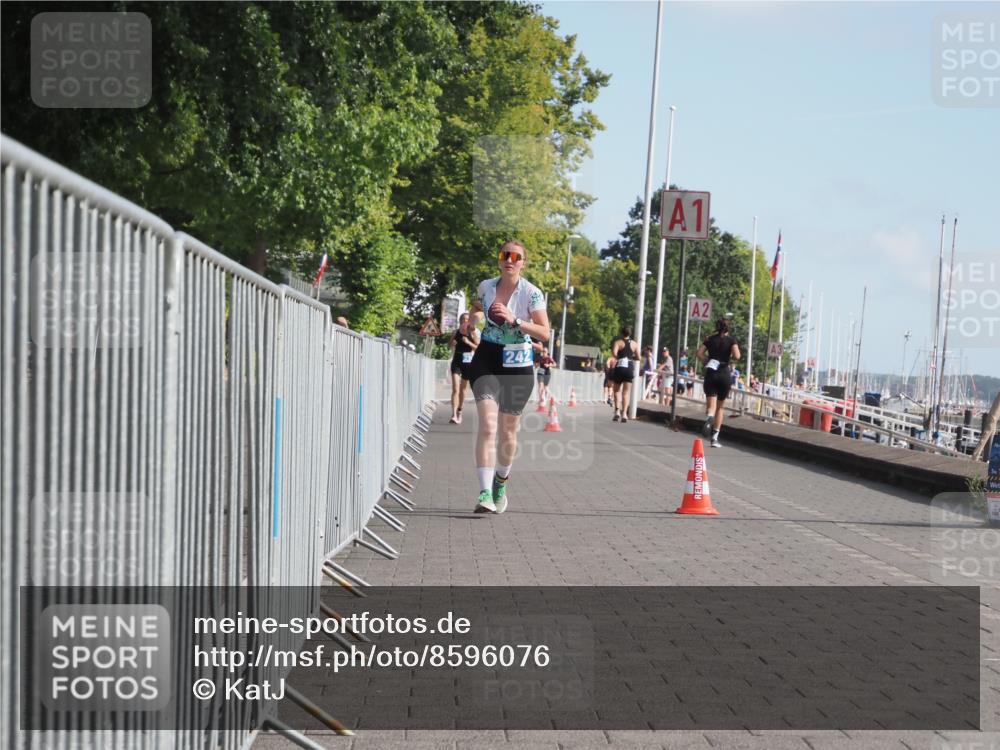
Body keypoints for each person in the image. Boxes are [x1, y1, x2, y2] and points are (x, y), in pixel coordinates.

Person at [467, 240, 550, 514]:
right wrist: (473, 319)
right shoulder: (486, 286)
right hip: (487, 357)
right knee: (488, 427)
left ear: (523, 263)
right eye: (505, 255)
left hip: (517, 363)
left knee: (507, 432)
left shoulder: (532, 294)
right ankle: (484, 493)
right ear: (499, 259)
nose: (510, 260)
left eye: (516, 257)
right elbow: (477, 306)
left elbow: (545, 333)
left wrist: (516, 321)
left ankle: (500, 484)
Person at [697, 317, 741, 448]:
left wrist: (706, 360)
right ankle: (714, 438)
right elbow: (737, 356)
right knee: (720, 407)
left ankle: (709, 417)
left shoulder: (710, 339)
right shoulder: (731, 340)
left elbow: (699, 353)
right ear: (728, 328)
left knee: (711, 407)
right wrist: (731, 356)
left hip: (711, 373)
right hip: (724, 373)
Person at [448, 312, 479, 424]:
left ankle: (460, 410)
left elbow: (478, 348)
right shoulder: (456, 332)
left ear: (469, 321)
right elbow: (449, 345)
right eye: (463, 319)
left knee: (462, 389)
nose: (465, 321)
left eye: (467, 319)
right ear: (460, 321)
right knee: (455, 388)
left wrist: (468, 343)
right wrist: (453, 343)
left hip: (468, 363)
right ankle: (454, 414)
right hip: (456, 362)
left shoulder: (473, 333)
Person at [609, 326, 639, 423]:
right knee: (626, 393)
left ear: (622, 333)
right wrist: (630, 357)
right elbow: (638, 357)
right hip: (629, 368)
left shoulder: (618, 342)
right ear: (630, 334)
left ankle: (617, 411)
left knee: (616, 391)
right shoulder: (634, 344)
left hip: (619, 367)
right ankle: (624, 413)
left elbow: (614, 354)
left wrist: (621, 357)